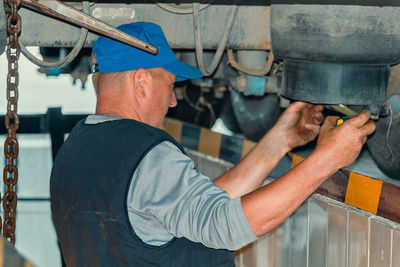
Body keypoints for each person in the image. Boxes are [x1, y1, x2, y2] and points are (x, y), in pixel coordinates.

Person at [50, 22, 376, 267]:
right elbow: (226, 226)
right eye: (170, 84)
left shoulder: (77, 150)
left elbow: (194, 209)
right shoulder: (145, 152)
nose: (175, 101)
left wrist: (279, 141)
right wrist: (325, 160)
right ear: (140, 83)